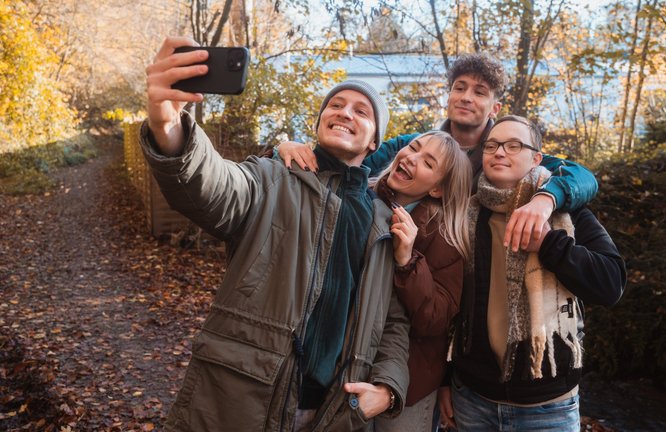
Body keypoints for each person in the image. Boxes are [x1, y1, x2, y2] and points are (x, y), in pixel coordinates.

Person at [141, 36, 409, 432]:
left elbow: (393, 320)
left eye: (361, 111)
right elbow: (213, 186)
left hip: (334, 413)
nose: (345, 112)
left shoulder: (384, 223)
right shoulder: (271, 179)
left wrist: (388, 387)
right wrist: (168, 123)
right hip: (242, 400)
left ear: (374, 142)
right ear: (319, 123)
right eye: (335, 105)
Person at [277, 53, 599, 254]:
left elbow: (582, 177)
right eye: (459, 87)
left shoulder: (506, 157)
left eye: (479, 92)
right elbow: (350, 166)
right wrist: (294, 149)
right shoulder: (409, 147)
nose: (466, 97)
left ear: (495, 108)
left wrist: (546, 200)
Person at [439, 115, 627, 431]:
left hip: (548, 407)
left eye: (514, 145)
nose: (500, 152)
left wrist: (550, 244)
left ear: (536, 158)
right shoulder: (464, 213)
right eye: (493, 145)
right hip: (471, 398)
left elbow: (610, 284)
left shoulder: (567, 213)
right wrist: (444, 380)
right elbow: (450, 308)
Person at [349, 131, 472, 432]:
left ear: (438, 190)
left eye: (428, 163)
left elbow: (435, 319)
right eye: (413, 148)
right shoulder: (361, 197)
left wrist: (407, 261)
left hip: (411, 379)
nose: (411, 159)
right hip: (350, 364)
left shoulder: (445, 236)